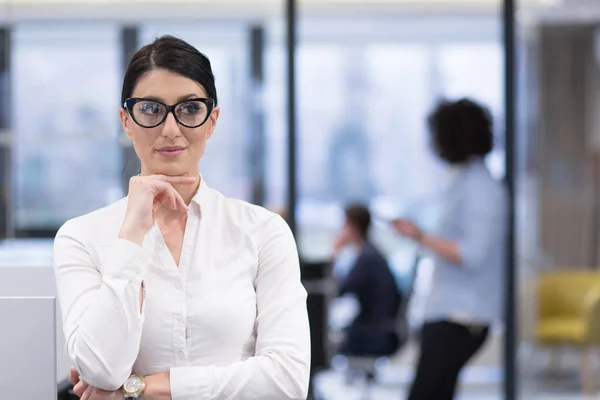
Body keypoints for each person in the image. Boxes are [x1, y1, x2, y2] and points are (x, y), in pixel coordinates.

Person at [54, 36, 310, 400]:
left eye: (190, 109)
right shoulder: (81, 237)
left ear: (212, 120)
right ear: (126, 121)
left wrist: (139, 387)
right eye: (151, 109)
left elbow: (287, 380)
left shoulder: (263, 232)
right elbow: (100, 369)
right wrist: (132, 232)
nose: (171, 129)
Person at [392, 98, 507, 400]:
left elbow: (471, 253)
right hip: (450, 311)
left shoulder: (481, 188)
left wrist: (419, 235)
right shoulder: (465, 182)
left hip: (460, 317)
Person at [333, 204, 402, 357]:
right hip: (378, 328)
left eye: (345, 225)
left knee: (328, 338)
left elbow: (339, 290)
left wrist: (335, 253)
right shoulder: (372, 252)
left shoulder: (367, 259)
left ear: (354, 227)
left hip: (372, 334)